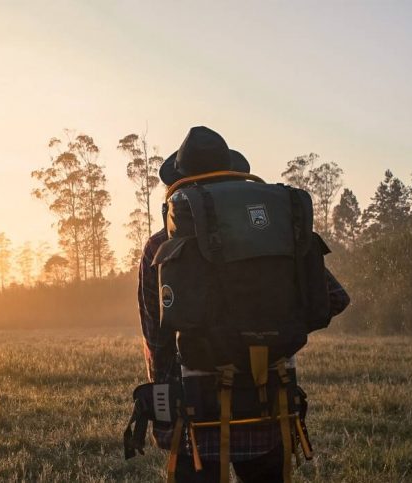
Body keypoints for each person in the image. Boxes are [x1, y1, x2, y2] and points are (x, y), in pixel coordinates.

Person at [137, 126, 350, 483]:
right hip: (270, 407)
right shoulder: (278, 233)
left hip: (197, 414)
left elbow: (156, 338)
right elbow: (335, 299)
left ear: (182, 183)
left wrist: (163, 409)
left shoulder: (160, 245)